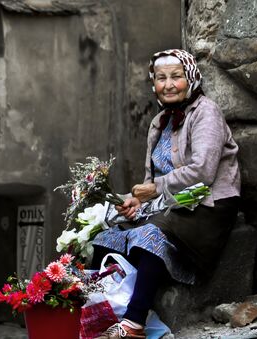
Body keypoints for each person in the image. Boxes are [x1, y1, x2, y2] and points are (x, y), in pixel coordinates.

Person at [91, 49, 241, 339]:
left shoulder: (206, 112)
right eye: (161, 78)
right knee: (105, 237)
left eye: (177, 76)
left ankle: (134, 324)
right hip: (173, 206)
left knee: (150, 233)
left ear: (191, 78)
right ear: (153, 83)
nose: (168, 84)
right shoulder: (158, 122)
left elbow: (203, 171)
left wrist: (155, 189)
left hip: (209, 207)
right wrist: (136, 200)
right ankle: (105, 315)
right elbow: (152, 181)